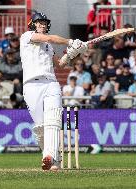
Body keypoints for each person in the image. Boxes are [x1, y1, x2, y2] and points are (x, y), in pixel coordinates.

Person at [20, 12, 87, 171]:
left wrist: (72, 53)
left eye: (44, 22)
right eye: (39, 22)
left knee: (54, 119)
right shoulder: (27, 36)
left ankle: (50, 157)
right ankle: (51, 159)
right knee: (40, 127)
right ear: (33, 25)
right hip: (31, 85)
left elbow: (60, 64)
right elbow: (49, 38)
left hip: (51, 83)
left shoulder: (49, 47)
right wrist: (70, 41)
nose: (42, 24)